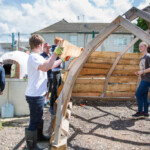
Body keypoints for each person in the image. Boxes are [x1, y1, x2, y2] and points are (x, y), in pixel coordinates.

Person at [25, 34, 67, 150]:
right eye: (42, 45)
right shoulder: (34, 57)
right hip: (34, 95)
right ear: (39, 45)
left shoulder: (37, 56)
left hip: (37, 94)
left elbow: (50, 65)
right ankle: (32, 145)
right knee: (34, 120)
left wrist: (61, 60)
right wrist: (55, 53)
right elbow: (46, 67)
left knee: (38, 118)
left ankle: (39, 137)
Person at [133, 41, 150, 117]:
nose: (140, 47)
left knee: (138, 94)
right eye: (139, 46)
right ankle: (146, 112)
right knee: (144, 95)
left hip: (147, 79)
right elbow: (144, 68)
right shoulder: (142, 58)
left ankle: (140, 112)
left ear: (146, 47)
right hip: (144, 78)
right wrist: (139, 72)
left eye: (142, 46)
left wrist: (141, 71)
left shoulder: (148, 56)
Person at [49, 37, 63, 115]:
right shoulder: (55, 48)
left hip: (58, 71)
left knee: (60, 86)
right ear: (57, 42)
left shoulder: (58, 48)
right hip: (55, 71)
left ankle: (56, 104)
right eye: (60, 42)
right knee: (54, 89)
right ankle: (51, 106)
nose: (61, 43)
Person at [41, 43, 52, 107]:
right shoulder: (42, 56)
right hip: (44, 75)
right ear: (44, 48)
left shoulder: (50, 55)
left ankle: (47, 100)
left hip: (51, 74)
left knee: (49, 88)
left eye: (49, 47)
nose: (48, 49)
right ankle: (44, 101)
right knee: (45, 88)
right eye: (47, 48)